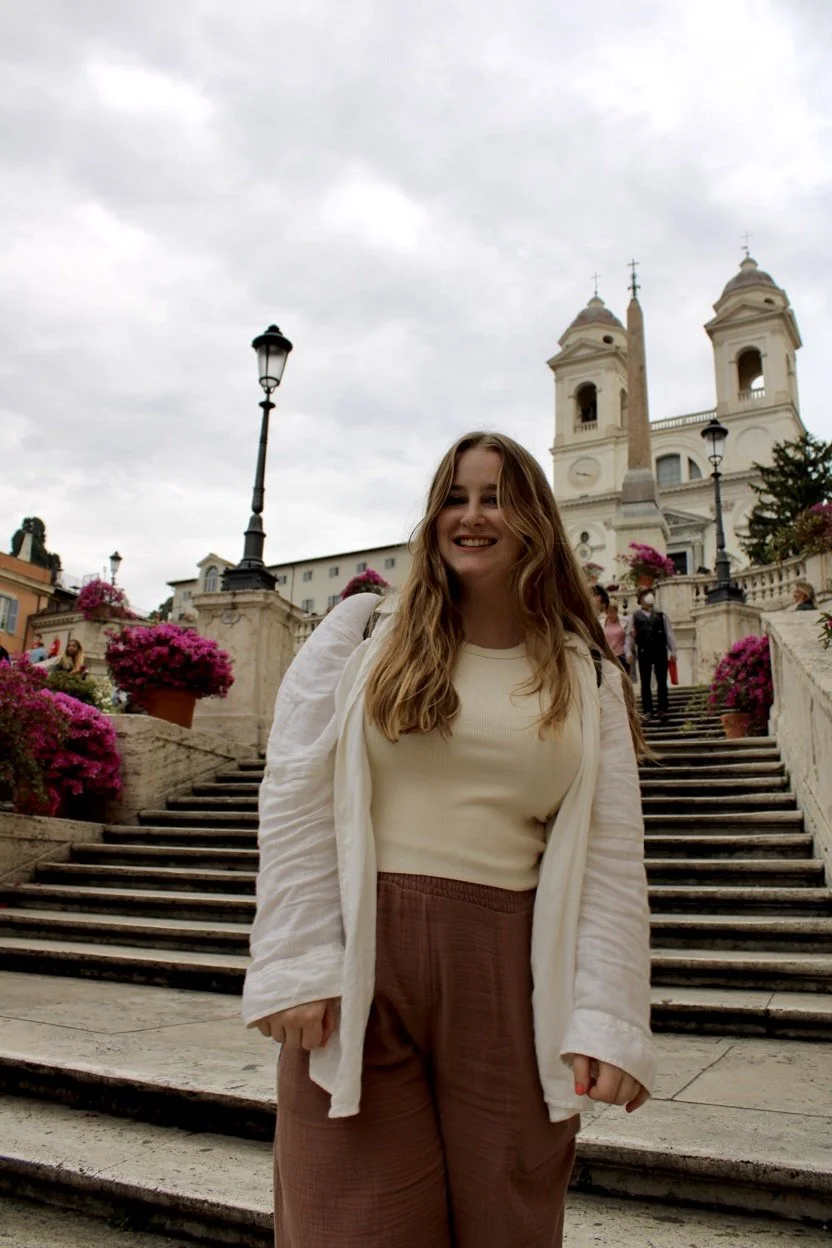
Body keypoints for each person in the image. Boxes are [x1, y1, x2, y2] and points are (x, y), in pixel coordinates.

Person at [243, 432, 655, 1248]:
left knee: (507, 1221)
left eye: (495, 498)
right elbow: (293, 793)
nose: (471, 516)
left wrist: (609, 1019)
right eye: (454, 499)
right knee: (349, 1220)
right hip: (362, 958)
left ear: (535, 520)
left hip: (510, 971)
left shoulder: (587, 676)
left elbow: (612, 860)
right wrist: (295, 961)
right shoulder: (365, 634)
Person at [627, 588, 677, 721]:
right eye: (646, 595)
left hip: (660, 650)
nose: (649, 597)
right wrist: (629, 651)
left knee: (662, 680)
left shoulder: (661, 615)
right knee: (645, 681)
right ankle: (647, 709)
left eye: (650, 594)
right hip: (644, 651)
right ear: (640, 599)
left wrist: (673, 651)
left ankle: (663, 709)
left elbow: (669, 633)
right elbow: (629, 636)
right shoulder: (634, 616)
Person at [603, 600, 629, 674]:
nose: (609, 615)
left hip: (622, 657)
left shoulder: (625, 621)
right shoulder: (602, 623)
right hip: (608, 657)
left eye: (611, 612)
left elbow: (629, 638)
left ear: (616, 611)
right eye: (607, 612)